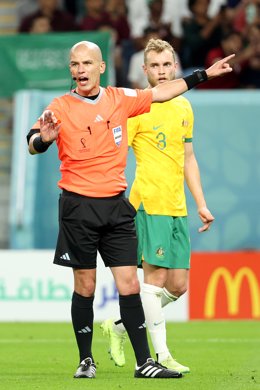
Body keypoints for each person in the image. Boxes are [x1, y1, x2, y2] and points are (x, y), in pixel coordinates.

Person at [26, 40, 234, 379]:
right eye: (75, 65)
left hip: (116, 207)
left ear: (101, 67)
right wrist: (44, 139)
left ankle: (144, 363)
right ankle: (86, 360)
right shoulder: (60, 106)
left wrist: (205, 75)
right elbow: (32, 143)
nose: (81, 70)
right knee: (86, 286)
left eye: (87, 64)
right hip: (78, 205)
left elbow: (164, 94)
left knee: (131, 286)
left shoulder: (120, 99)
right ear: (71, 70)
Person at [101, 38, 215, 373]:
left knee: (178, 286)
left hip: (177, 206)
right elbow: (115, 156)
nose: (162, 72)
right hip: (149, 204)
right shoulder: (137, 107)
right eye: (155, 66)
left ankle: (121, 325)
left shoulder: (184, 106)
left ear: (175, 67)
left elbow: (188, 158)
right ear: (145, 69)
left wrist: (201, 204)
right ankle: (162, 357)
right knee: (154, 281)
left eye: (167, 65)